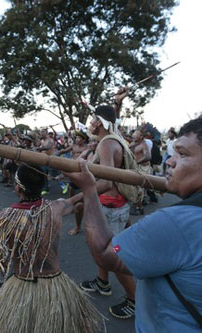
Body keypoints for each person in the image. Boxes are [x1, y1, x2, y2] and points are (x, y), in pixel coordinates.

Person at [67, 115, 202, 332]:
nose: (170, 161)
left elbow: (105, 253)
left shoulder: (177, 223)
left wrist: (88, 189)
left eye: (183, 154)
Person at [0, 164, 105, 332]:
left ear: (18, 187)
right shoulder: (57, 207)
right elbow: (80, 197)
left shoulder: (5, 216)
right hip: (56, 283)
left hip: (21, 284)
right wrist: (95, 184)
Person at [76, 95, 138, 319]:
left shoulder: (106, 144)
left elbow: (106, 182)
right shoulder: (114, 138)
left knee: (113, 256)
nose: (89, 123)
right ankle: (102, 282)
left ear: (99, 122)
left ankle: (134, 300)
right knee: (102, 249)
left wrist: (77, 198)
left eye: (92, 119)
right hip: (115, 206)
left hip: (111, 207)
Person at [129, 130, 152, 215]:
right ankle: (139, 206)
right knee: (137, 188)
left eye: (135, 135)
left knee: (138, 188)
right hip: (137, 168)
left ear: (141, 137)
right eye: (133, 135)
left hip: (143, 168)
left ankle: (138, 207)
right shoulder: (135, 143)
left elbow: (148, 156)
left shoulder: (144, 145)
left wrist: (137, 162)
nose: (133, 136)